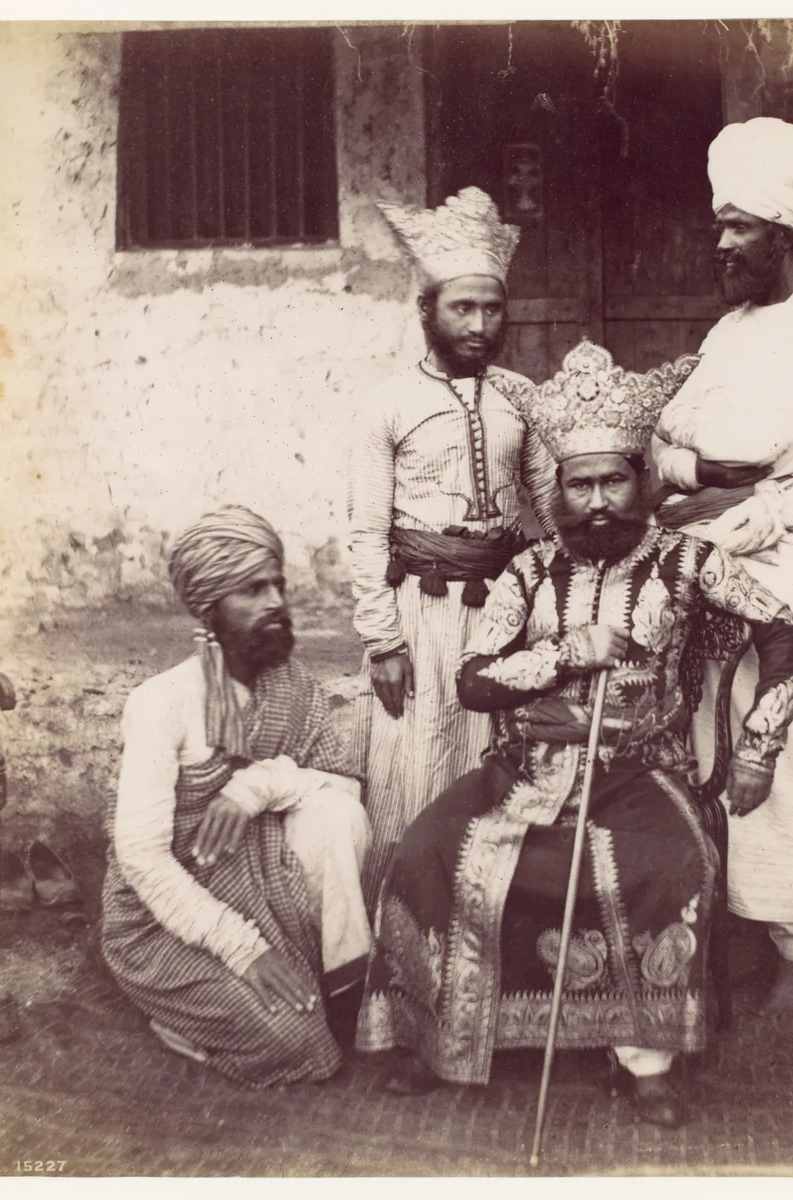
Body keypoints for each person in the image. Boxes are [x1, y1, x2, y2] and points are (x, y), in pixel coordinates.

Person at [355, 341, 793, 1127]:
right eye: (580, 483)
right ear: (558, 489)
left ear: (640, 480)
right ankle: (443, 1040)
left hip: (643, 771)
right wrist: (566, 654)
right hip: (524, 769)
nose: (598, 500)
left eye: (613, 480)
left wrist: (762, 745)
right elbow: (473, 680)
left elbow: (785, 635)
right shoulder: (528, 571)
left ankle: (647, 1059)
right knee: (430, 850)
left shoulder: (689, 561)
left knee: (667, 865)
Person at [650, 116, 793, 1019]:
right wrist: (699, 473)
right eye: (720, 224)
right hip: (710, 555)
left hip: (783, 563)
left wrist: (698, 469)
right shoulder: (731, 328)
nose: (722, 241)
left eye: (741, 225)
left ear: (788, 235)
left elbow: (741, 446)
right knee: (707, 733)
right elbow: (668, 437)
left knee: (780, 744)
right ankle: (724, 924)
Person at [101, 506, 372, 1087]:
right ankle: (171, 1014)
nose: (276, 601)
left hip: (265, 884)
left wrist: (254, 787)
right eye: (253, 589)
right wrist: (244, 950)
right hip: (167, 916)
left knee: (336, 812)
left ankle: (316, 983)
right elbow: (141, 859)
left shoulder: (292, 686)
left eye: (278, 584)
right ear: (209, 608)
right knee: (298, 1045)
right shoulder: (162, 701)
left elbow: (345, 786)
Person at [348, 186, 556, 909]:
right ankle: (399, 935)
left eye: (491, 308)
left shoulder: (521, 398)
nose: (478, 324)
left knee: (492, 763)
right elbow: (366, 532)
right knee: (413, 766)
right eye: (461, 308)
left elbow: (553, 509)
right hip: (418, 611)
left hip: (500, 613)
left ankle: (486, 929)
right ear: (427, 310)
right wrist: (382, 642)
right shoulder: (387, 404)